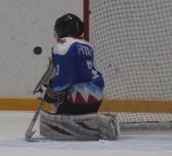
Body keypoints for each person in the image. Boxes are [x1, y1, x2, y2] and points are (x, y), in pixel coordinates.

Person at [39, 13, 118, 141]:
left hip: (79, 99)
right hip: (97, 97)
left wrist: (52, 91)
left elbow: (65, 79)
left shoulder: (62, 45)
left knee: (58, 98)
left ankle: (79, 125)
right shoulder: (87, 45)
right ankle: (88, 119)